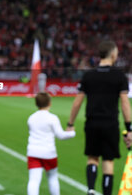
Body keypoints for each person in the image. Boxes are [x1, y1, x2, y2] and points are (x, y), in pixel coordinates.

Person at [67, 41, 132, 195]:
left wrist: (70, 123)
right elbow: (124, 104)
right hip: (110, 123)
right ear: (113, 54)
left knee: (92, 158)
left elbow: (77, 102)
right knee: (108, 160)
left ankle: (90, 189)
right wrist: (129, 128)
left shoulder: (89, 75)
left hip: (92, 122)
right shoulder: (119, 76)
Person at [27, 92, 75, 195]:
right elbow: (61, 135)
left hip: (33, 152)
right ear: (49, 103)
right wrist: (72, 133)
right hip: (49, 152)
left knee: (34, 180)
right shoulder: (52, 118)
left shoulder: (31, 118)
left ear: (36, 103)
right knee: (52, 178)